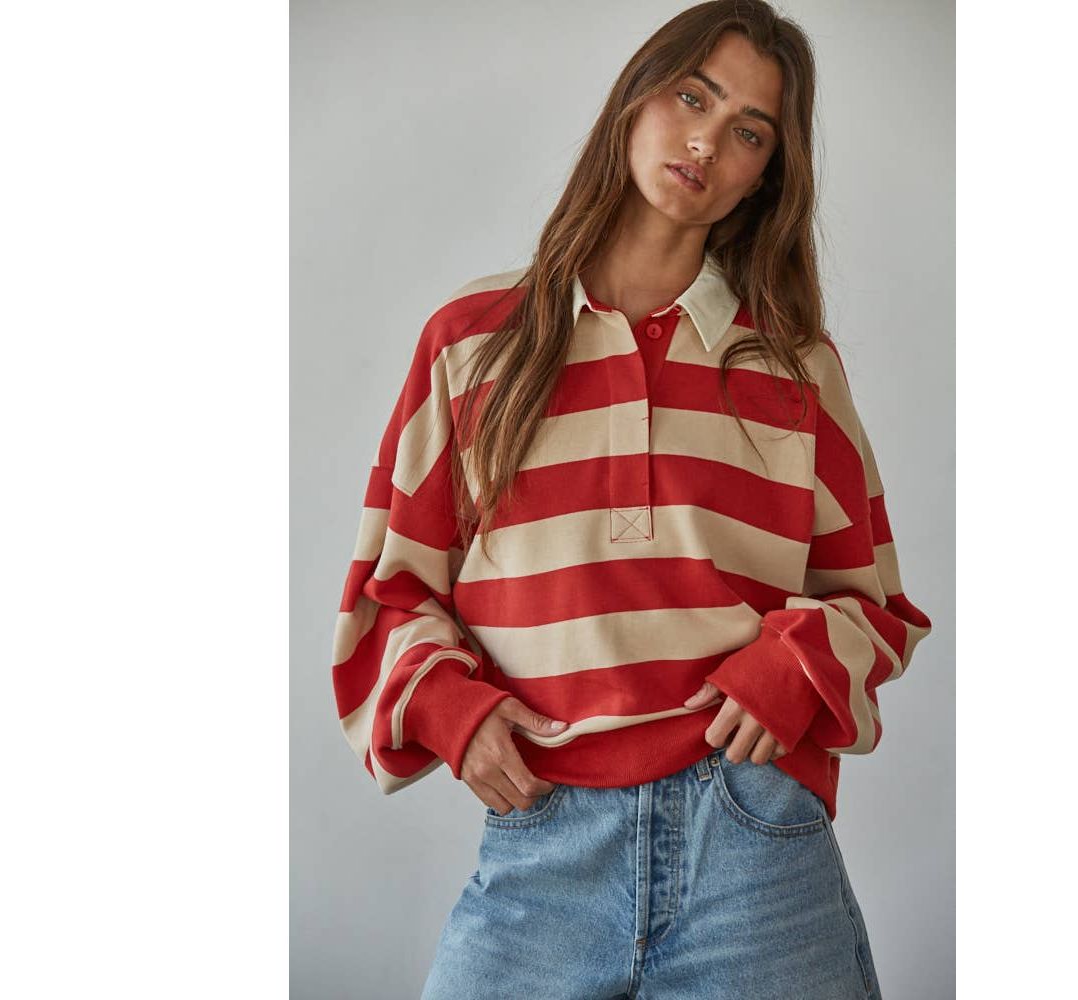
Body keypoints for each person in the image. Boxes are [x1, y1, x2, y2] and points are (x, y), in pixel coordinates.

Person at [329, 3, 932, 997]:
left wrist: (790, 669)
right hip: (542, 838)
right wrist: (451, 712)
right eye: (692, 97)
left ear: (765, 176)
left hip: (750, 842)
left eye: (748, 130)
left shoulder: (794, 368)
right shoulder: (469, 345)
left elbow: (875, 605)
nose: (707, 141)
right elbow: (391, 591)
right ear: (634, 100)